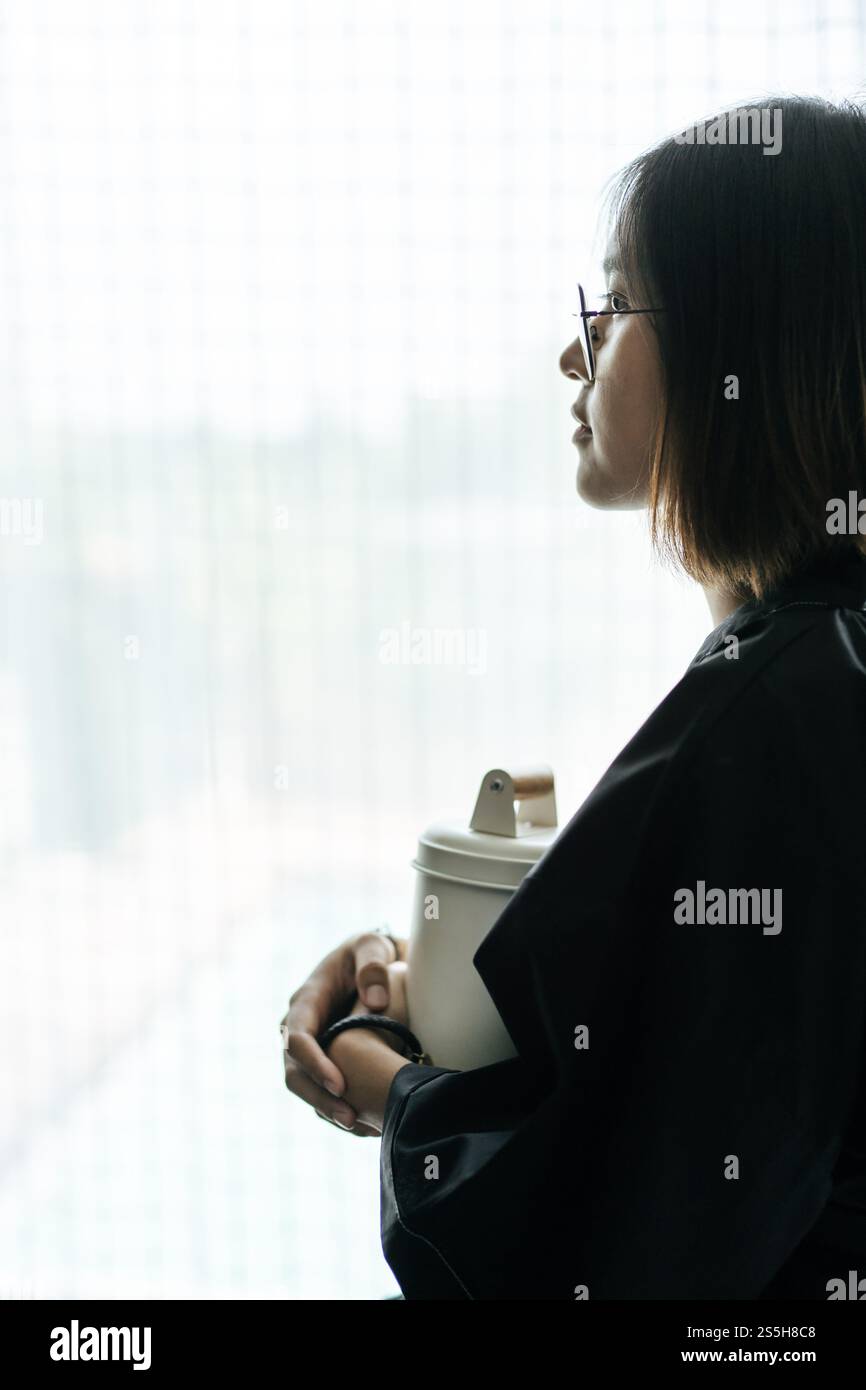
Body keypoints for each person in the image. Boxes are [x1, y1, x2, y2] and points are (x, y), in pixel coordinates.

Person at [281, 94, 866, 1299]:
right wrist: (435, 989)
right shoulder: (809, 670)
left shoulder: (784, 707)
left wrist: (380, 1077)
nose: (574, 349)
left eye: (612, 299)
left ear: (735, 336)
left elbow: (614, 1217)